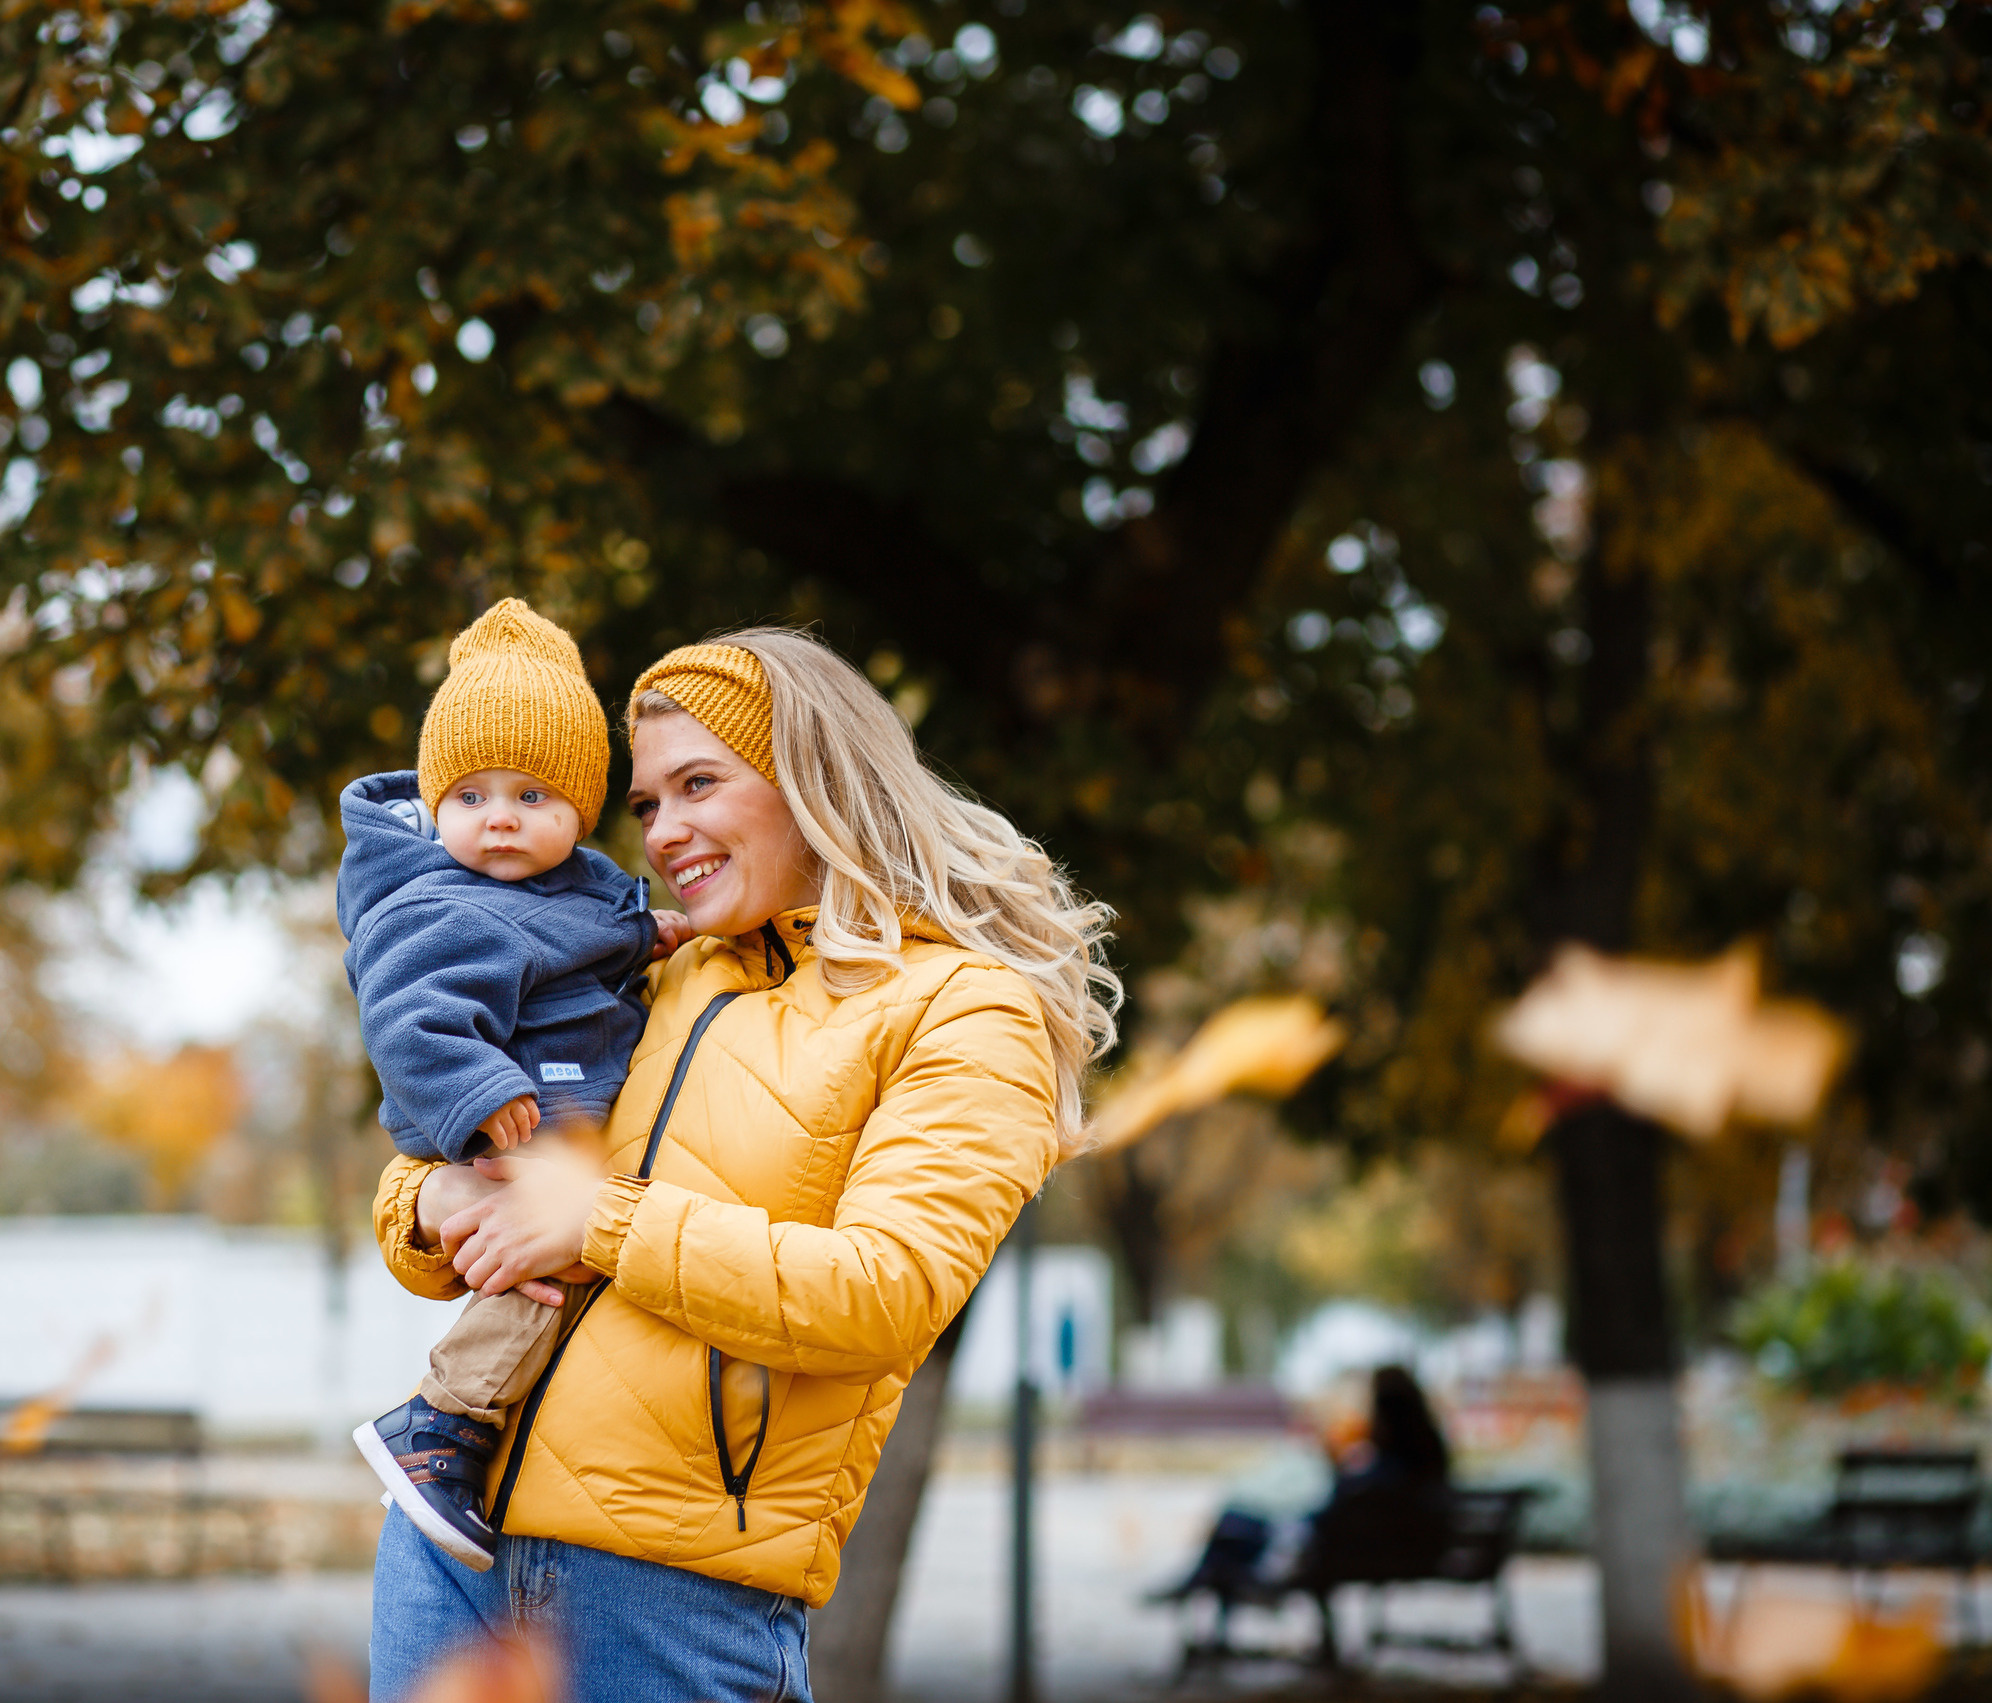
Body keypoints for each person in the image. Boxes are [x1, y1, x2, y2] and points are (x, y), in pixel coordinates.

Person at [364, 629, 1121, 1703]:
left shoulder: (963, 1009)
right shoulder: (669, 971)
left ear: (815, 776)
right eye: (646, 804)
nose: (664, 830)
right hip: (450, 1550)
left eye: (699, 784)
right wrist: (426, 1196)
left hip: (669, 1600)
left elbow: (882, 1293)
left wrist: (596, 1219)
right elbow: (473, 1158)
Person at [339, 599, 693, 1571]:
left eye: (532, 795)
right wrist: (477, 1091)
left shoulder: (558, 888)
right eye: (471, 795)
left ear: (580, 809)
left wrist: (648, 934)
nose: (499, 815)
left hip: (556, 1109)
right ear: (437, 803)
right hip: (512, 1119)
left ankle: (454, 1424)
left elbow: (581, 943)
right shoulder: (441, 905)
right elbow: (407, 1015)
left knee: (558, 1263)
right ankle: (442, 1418)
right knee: (543, 1275)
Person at [1159, 1363, 1453, 1601]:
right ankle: (1201, 1577)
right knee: (1240, 1525)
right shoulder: (1423, 1465)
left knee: (1236, 1523)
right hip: (1402, 1552)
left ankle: (1199, 1580)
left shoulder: (1381, 1473)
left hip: (1326, 1554)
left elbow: (1331, 1510)